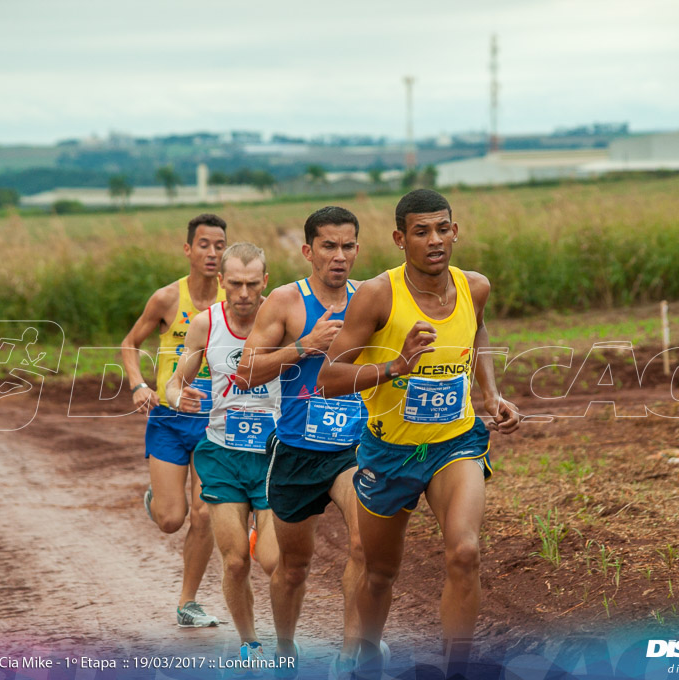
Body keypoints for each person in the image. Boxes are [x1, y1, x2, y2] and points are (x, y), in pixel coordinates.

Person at [316, 189, 521, 677]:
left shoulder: (474, 287)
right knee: (380, 573)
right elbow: (330, 377)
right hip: (390, 452)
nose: (435, 240)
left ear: (455, 231)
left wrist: (489, 395)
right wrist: (397, 365)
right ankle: (365, 659)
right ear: (399, 238)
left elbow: (478, 332)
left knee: (466, 552)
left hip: (455, 442)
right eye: (422, 231)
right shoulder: (378, 295)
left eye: (443, 228)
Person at [235, 206, 369, 674]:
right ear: (309, 250)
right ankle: (286, 651)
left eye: (348, 245)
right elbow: (246, 372)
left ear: (357, 249)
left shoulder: (370, 300)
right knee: (293, 567)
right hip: (296, 450)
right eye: (329, 246)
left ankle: (351, 657)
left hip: (354, 448)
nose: (339, 256)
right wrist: (305, 346)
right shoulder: (285, 302)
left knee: (364, 546)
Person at [166, 242, 282, 666]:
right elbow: (178, 382)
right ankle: (250, 644)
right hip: (222, 455)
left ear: (265, 281)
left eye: (253, 284)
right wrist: (179, 396)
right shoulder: (205, 324)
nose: (245, 293)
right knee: (235, 564)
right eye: (235, 284)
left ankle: (257, 532)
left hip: (272, 456)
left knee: (272, 562)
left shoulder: (285, 319)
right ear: (222, 282)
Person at [120, 213, 227, 628]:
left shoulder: (234, 298)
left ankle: (188, 603)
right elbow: (130, 344)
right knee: (171, 520)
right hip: (167, 417)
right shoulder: (167, 299)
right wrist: (138, 385)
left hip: (214, 420)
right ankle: (157, 502)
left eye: (220, 245)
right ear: (188, 250)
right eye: (204, 245)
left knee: (204, 514)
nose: (213, 253)